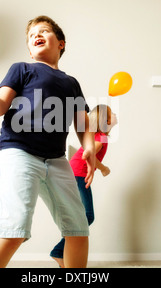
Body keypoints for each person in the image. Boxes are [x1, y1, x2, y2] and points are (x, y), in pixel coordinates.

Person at [0, 16, 96, 268]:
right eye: (32, 35)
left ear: (61, 43)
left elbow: (82, 121)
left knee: (78, 228)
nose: (37, 35)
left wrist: (88, 147)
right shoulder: (22, 69)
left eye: (44, 31)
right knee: (15, 228)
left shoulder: (71, 83)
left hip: (57, 160)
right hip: (19, 152)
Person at [49, 104, 118, 267]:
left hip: (75, 173)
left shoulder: (99, 136)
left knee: (81, 216)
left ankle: (63, 253)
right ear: (106, 120)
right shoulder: (101, 137)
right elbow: (91, 155)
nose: (115, 115)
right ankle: (59, 252)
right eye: (112, 113)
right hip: (78, 174)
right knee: (87, 215)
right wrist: (104, 169)